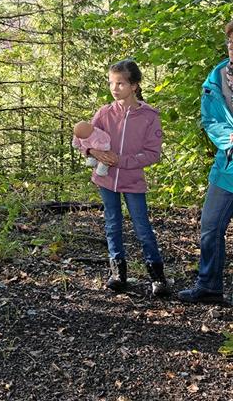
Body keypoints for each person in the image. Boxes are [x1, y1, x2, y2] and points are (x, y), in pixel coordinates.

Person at [73, 59, 169, 296]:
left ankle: (158, 277)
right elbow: (79, 140)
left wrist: (121, 160)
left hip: (133, 181)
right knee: (112, 225)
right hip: (106, 180)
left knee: (142, 227)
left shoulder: (149, 116)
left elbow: (153, 154)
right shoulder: (104, 113)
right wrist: (94, 152)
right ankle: (118, 273)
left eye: (121, 84)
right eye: (111, 83)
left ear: (134, 85)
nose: (115, 88)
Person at [178, 21, 233, 305]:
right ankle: (209, 285)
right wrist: (230, 140)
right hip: (227, 166)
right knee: (210, 226)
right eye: (230, 42)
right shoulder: (217, 78)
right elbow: (210, 121)